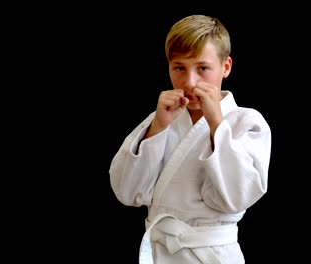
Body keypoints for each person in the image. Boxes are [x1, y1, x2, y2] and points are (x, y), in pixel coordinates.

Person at [109, 14, 271, 264]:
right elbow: (127, 191)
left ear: (226, 67)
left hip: (211, 255)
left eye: (203, 68)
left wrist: (217, 123)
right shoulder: (162, 117)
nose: (190, 82)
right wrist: (158, 127)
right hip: (160, 252)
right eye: (179, 68)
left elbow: (237, 197)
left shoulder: (247, 122)